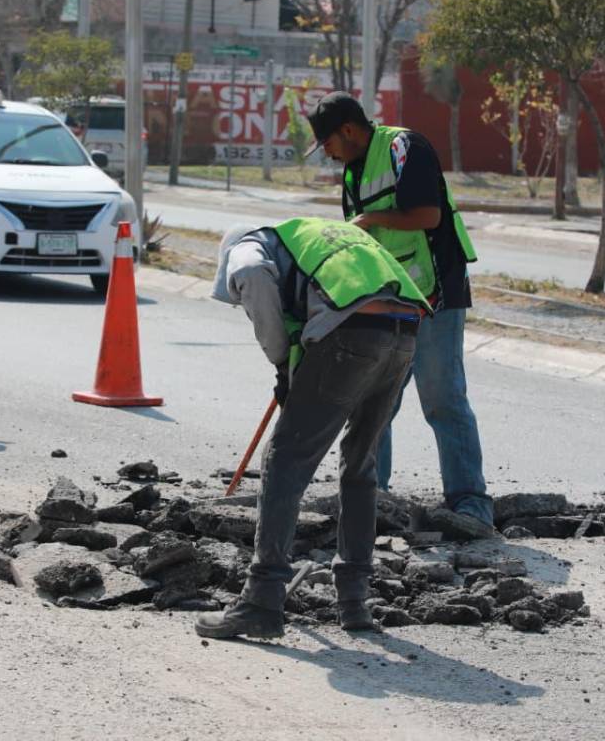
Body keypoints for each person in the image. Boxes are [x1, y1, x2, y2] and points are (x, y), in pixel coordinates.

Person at [195, 217, 430, 639]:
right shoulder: (314, 236)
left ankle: (262, 600)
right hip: (404, 332)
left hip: (353, 334)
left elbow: (250, 275)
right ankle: (354, 601)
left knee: (285, 459)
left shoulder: (248, 247)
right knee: (361, 464)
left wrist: (283, 363)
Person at [306, 91, 495, 532]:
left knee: (443, 398)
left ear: (349, 131)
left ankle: (471, 505)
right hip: (388, 296)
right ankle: (368, 497)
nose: (328, 155)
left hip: (434, 294)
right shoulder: (353, 171)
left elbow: (427, 216)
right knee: (373, 402)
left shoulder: (403, 148)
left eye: (328, 144)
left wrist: (372, 220)